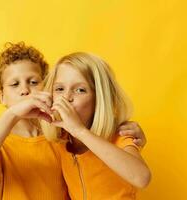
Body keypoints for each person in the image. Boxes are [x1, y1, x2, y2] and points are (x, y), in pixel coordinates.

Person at [0, 42, 147, 200]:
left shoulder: (61, 135)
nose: (25, 90)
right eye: (15, 84)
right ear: (1, 96)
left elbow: (134, 172)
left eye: (33, 82)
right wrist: (10, 115)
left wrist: (133, 136)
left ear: (47, 88)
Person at [41, 52, 151, 199]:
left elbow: (142, 178)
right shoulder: (60, 140)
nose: (66, 98)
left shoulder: (120, 135)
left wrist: (79, 131)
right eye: (59, 89)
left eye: (80, 90)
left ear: (99, 98)